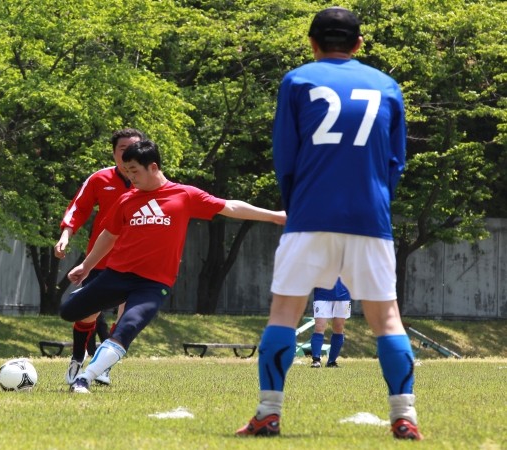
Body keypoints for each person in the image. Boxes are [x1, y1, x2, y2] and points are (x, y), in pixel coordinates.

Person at [236, 7, 422, 441]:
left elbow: (286, 154)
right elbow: (396, 162)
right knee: (387, 318)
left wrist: (296, 203)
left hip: (309, 213)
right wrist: (376, 200)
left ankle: (268, 413)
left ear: (313, 43)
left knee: (284, 312)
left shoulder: (297, 80)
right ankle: (405, 416)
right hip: (370, 214)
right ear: (359, 44)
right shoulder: (386, 85)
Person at [60, 139, 286, 394]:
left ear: (153, 167)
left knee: (127, 328)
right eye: (126, 170)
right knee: (69, 311)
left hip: (153, 284)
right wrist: (87, 266)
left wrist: (275, 216)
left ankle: (85, 378)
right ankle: (80, 356)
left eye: (134, 170)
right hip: (117, 275)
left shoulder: (184, 195)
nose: (130, 176)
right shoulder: (126, 200)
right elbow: (108, 235)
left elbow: (230, 206)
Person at [54, 128, 145, 386]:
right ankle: (77, 357)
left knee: (127, 317)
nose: (128, 154)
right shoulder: (99, 178)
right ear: (114, 152)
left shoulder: (152, 183)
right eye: (122, 149)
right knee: (88, 314)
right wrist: (66, 235)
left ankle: (102, 366)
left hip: (137, 261)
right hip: (101, 258)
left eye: (134, 148)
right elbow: (78, 208)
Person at [310, 278, 350, 368]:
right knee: (319, 326)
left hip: (343, 293)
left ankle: (331, 361)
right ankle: (316, 360)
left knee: (339, 327)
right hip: (322, 293)